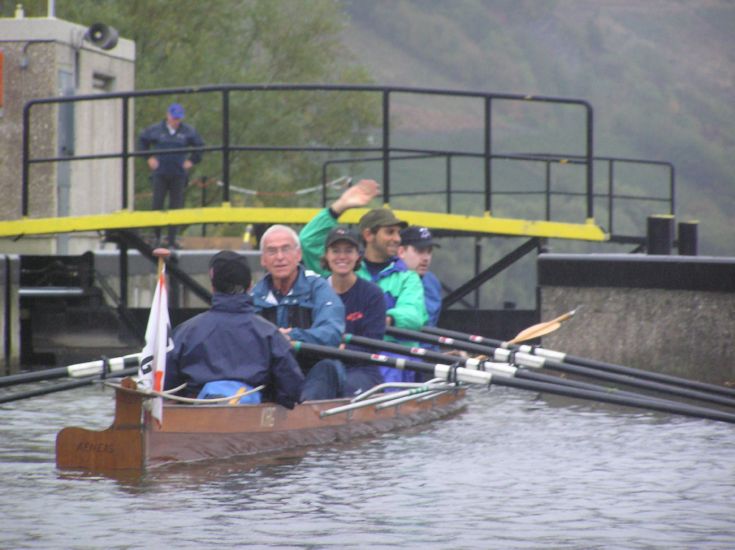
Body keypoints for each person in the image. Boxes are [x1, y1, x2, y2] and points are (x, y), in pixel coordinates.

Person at [299, 179, 428, 384]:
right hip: (343, 353)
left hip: (393, 353)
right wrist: (338, 208)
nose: (397, 238)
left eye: (397, 233)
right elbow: (306, 241)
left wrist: (379, 319)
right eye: (390, 232)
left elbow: (413, 316)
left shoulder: (407, 277)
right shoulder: (342, 266)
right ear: (368, 235)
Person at [164, 250, 304, 409]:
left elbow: (165, 388)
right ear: (250, 286)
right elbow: (292, 391)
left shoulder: (184, 332)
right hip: (253, 418)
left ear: (212, 287)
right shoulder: (270, 335)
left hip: (196, 415)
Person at [307, 226, 387, 398]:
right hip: (322, 366)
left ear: (358, 256)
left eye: (348, 251)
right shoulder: (313, 292)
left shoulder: (373, 294)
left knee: (344, 389)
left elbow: (372, 346)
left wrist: (337, 347)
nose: (342, 257)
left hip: (361, 368)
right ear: (327, 256)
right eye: (335, 251)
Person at [138, 102, 204, 248]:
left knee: (176, 207)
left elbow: (200, 147)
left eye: (179, 118)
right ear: (167, 116)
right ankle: (156, 238)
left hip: (178, 174)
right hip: (160, 173)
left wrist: (191, 162)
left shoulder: (187, 131)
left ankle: (172, 240)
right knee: (157, 204)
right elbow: (142, 142)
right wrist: (149, 158)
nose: (176, 121)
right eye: (174, 118)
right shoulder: (156, 130)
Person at [398, 225, 442, 327]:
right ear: (401, 251)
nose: (426, 258)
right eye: (420, 250)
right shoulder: (388, 278)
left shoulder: (433, 282)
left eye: (429, 251)